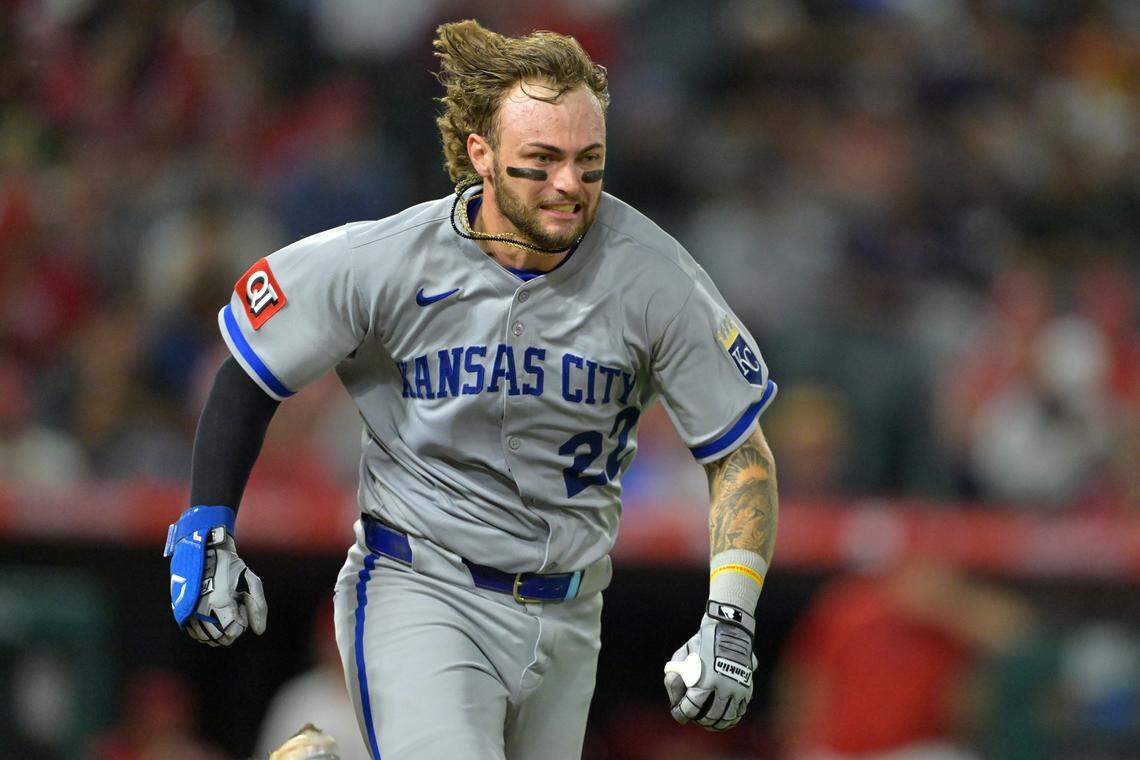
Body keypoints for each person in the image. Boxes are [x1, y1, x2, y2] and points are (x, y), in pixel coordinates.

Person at [163, 20, 779, 759]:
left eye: (590, 161)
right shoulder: (389, 259)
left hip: (573, 609)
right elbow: (252, 367)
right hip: (423, 586)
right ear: (480, 155)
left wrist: (731, 614)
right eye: (542, 160)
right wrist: (206, 522)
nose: (569, 186)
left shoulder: (654, 276)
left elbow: (740, 455)